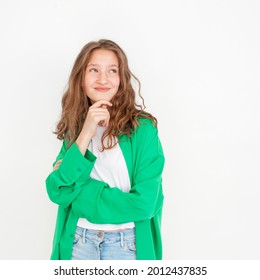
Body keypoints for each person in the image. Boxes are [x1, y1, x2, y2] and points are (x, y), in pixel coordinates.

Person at [45, 39, 165, 260]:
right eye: (93, 70)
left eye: (112, 70)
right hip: (78, 243)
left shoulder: (144, 130)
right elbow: (57, 191)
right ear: (81, 78)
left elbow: (145, 204)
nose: (103, 79)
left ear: (121, 79)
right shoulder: (76, 128)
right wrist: (85, 134)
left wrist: (79, 194)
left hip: (127, 246)